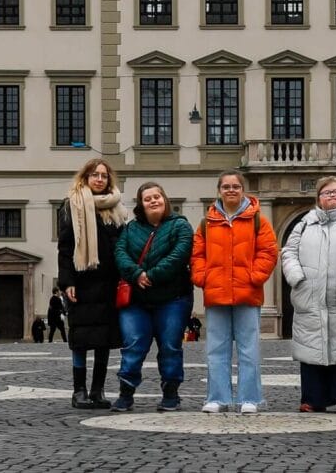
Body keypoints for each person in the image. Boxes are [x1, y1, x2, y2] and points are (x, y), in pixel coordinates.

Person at [191, 170, 278, 415]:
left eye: (235, 186)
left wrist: (255, 276)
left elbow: (269, 252)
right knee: (216, 349)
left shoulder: (258, 220)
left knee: (249, 349)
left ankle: (249, 398)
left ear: (243, 190)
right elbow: (197, 254)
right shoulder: (206, 222)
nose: (231, 190)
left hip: (247, 293)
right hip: (216, 293)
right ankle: (217, 397)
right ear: (219, 190)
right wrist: (202, 277)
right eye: (226, 186)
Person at [282, 176, 336, 414]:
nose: (331, 196)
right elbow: (288, 252)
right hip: (310, 296)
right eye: (326, 193)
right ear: (318, 198)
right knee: (311, 349)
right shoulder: (304, 224)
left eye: (335, 192)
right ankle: (312, 398)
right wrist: (297, 277)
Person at [111, 182, 194, 413]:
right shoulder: (130, 229)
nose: (154, 201)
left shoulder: (181, 226)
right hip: (137, 300)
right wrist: (137, 274)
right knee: (133, 345)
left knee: (170, 346)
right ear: (141, 205)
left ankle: (170, 393)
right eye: (148, 199)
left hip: (173, 298)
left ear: (165, 200)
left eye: (157, 196)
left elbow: (180, 254)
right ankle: (126, 393)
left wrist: (153, 276)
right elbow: (120, 253)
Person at [57, 158, 131, 409]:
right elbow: (65, 248)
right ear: (85, 178)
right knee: (80, 338)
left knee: (104, 339)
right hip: (82, 281)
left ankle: (97, 390)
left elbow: (123, 246)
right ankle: (79, 391)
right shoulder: (72, 205)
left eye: (104, 176)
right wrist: (67, 282)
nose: (100, 179)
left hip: (109, 283)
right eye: (95, 175)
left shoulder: (117, 208)